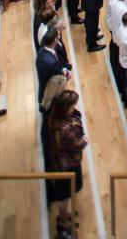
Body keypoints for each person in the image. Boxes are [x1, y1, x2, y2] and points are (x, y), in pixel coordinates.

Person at [47, 90, 88, 237]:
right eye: (72, 106)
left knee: (66, 193)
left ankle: (63, 215)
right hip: (68, 164)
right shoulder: (66, 128)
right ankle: (63, 221)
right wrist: (84, 140)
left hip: (60, 162)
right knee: (64, 195)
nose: (74, 108)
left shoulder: (55, 119)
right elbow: (75, 145)